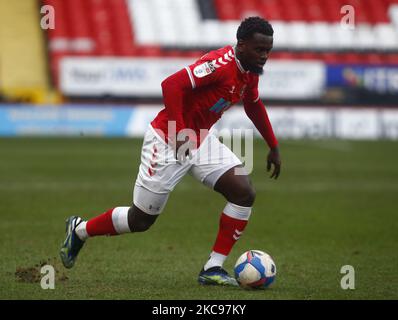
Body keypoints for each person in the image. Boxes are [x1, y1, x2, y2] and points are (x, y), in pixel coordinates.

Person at [60, 16, 281, 287]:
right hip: (167, 141)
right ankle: (80, 230)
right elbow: (171, 85)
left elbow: (253, 104)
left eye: (268, 50)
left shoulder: (249, 72)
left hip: (200, 140)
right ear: (242, 45)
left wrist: (273, 145)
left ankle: (212, 268)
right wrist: (179, 131)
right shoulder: (219, 65)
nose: (264, 56)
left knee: (243, 193)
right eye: (260, 50)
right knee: (140, 219)